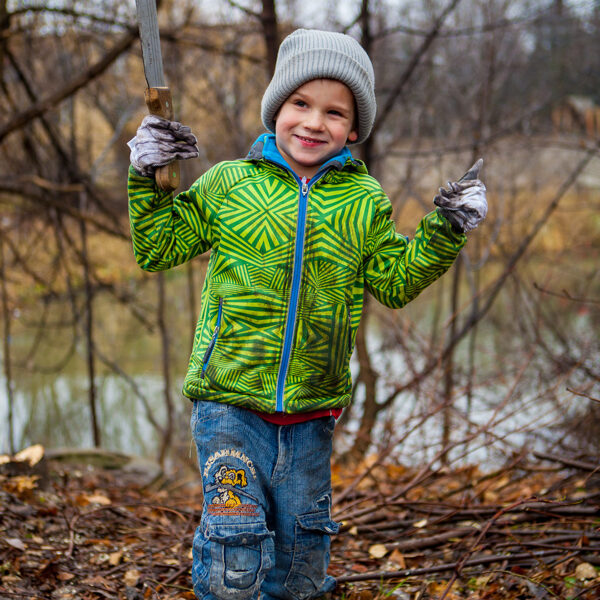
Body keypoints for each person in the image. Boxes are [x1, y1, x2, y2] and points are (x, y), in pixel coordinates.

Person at [127, 28, 487, 600]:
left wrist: (445, 229)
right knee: (234, 541)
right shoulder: (229, 185)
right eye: (301, 104)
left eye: (335, 112)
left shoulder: (363, 202)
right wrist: (147, 175)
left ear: (354, 126)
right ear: (277, 108)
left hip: (311, 412)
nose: (315, 123)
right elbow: (157, 247)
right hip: (229, 402)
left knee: (302, 554)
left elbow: (395, 282)